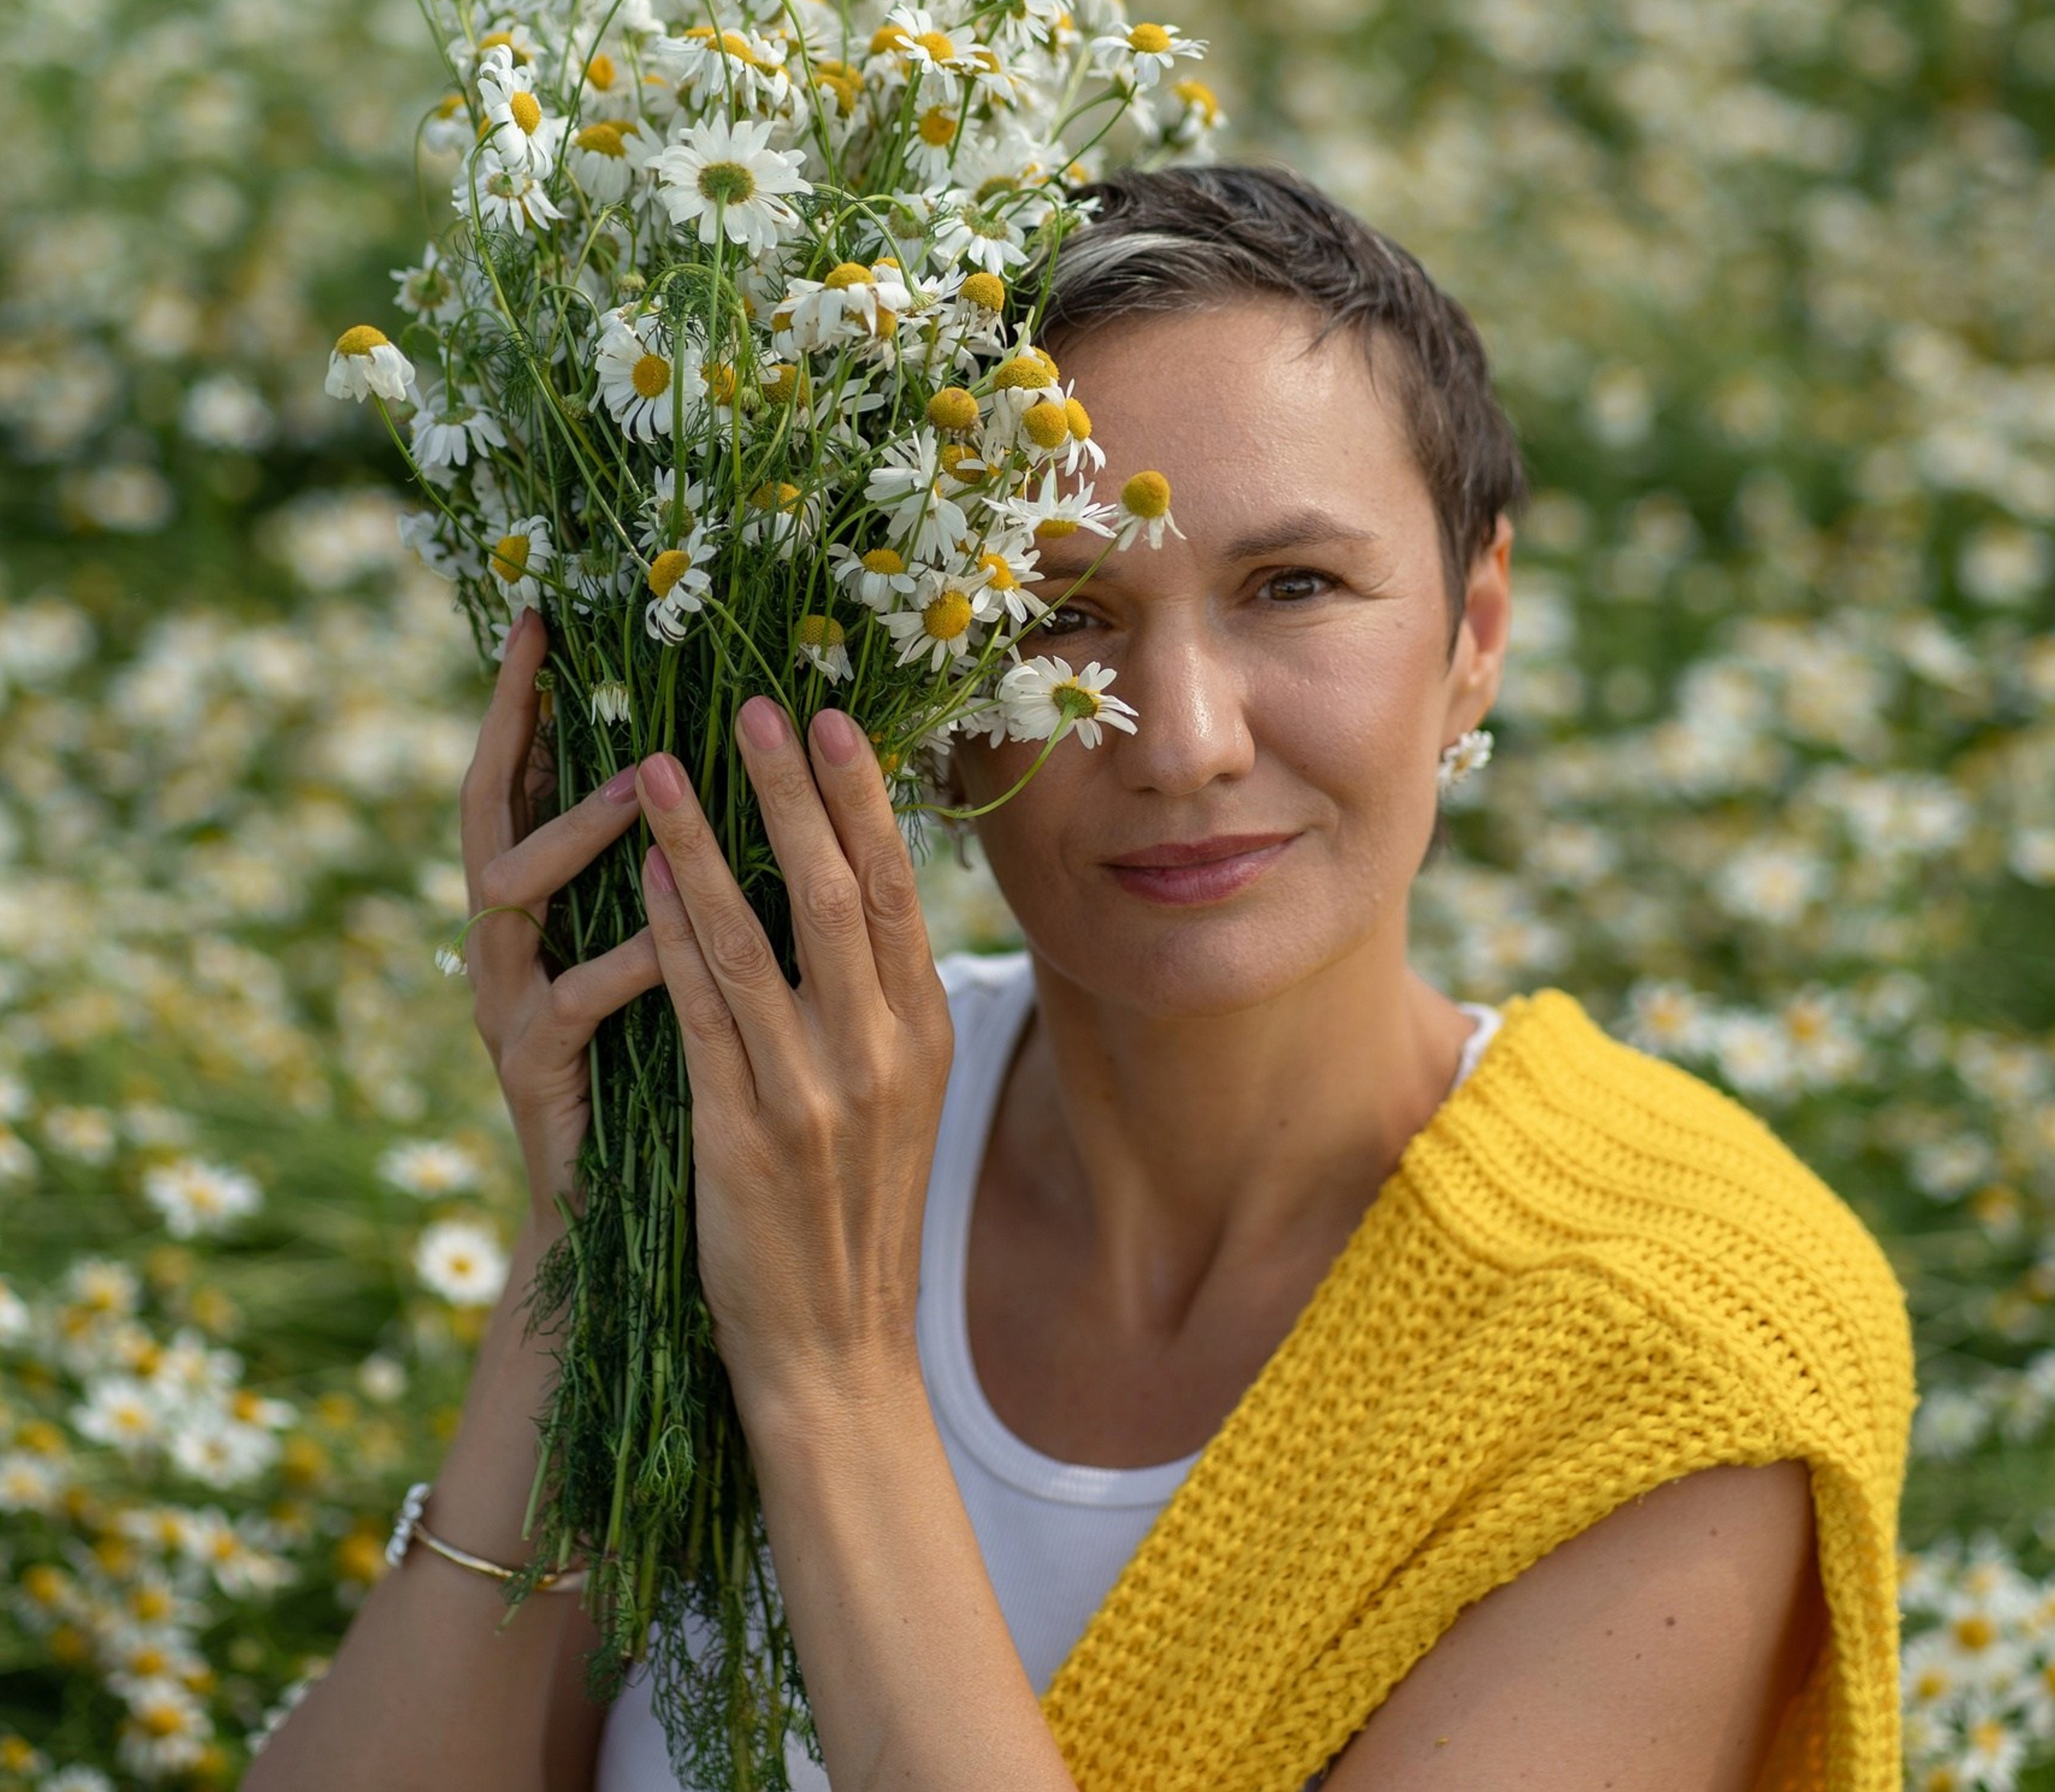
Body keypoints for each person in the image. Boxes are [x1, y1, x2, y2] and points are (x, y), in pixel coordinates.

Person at [246, 164, 1913, 1792]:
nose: (1179, 740)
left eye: (1292, 586)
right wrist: (589, 1244)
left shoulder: (1669, 1344)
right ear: (915, 681)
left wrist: (831, 1381)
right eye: (1053, 612)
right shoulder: (788, 1127)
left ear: (1474, 629)